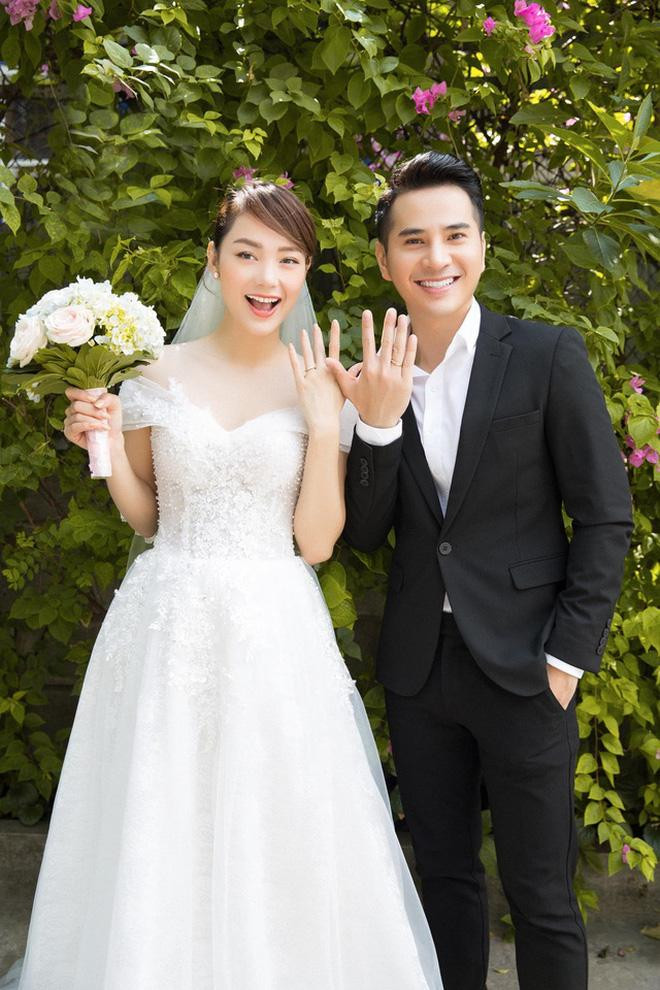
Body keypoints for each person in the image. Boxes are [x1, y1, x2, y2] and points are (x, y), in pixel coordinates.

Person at [6, 182, 442, 990]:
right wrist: (105, 442)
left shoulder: (319, 379)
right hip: (165, 620)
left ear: (304, 273)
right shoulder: (152, 371)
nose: (267, 276)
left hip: (273, 628)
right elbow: (146, 515)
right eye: (247, 254)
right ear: (214, 261)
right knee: (158, 810)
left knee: (274, 817)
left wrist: (323, 420)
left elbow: (316, 543)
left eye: (288, 259)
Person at [330, 152, 633, 990]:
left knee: (542, 895)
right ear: (386, 260)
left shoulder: (544, 356)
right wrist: (376, 423)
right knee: (444, 883)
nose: (437, 257)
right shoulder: (372, 373)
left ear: (482, 247)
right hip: (419, 669)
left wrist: (566, 659)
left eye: (455, 235)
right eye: (413, 240)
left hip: (529, 665)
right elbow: (364, 535)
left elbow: (605, 516)